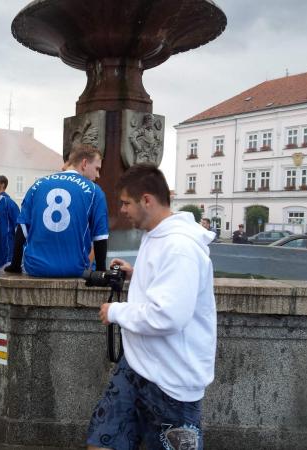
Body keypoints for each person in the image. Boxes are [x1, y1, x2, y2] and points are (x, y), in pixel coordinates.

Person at [87, 163, 216, 450]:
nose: (121, 210)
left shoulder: (180, 247)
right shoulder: (156, 235)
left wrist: (116, 311)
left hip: (171, 382)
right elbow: (166, 287)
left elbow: (167, 316)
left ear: (147, 200)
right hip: (137, 366)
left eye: (125, 203)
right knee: (101, 442)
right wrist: (137, 274)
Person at [6, 145, 109, 277]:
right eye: (97, 169)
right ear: (84, 163)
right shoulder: (95, 191)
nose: (98, 175)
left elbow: (22, 229)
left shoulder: (37, 185)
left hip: (35, 268)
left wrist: (15, 265)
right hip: (73, 270)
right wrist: (100, 272)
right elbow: (100, 237)